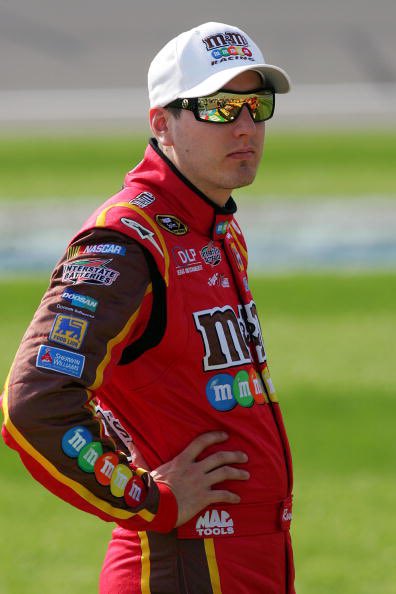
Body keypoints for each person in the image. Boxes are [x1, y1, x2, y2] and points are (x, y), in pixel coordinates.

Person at [1, 21, 295, 594]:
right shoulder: (128, 243)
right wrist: (149, 499)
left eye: (256, 105)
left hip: (244, 561)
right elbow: (34, 402)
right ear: (162, 122)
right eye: (217, 107)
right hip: (183, 565)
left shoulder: (217, 229)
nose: (244, 126)